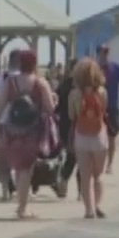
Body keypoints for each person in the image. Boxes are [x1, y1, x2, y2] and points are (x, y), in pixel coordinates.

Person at [0, 50, 56, 219]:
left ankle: (22, 204)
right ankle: (22, 207)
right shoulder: (40, 82)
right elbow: (50, 108)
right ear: (34, 64)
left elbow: (0, 105)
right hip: (32, 130)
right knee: (26, 168)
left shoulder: (10, 82)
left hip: (12, 129)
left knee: (19, 167)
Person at [67, 57, 111, 218]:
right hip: (99, 135)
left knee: (85, 177)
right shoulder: (102, 92)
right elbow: (105, 111)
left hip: (81, 135)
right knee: (98, 175)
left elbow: (71, 115)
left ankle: (88, 210)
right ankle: (97, 204)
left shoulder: (74, 94)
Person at [0, 50, 24, 199]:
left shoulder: (2, 78)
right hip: (21, 122)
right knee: (21, 156)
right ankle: (21, 188)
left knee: (4, 156)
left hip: (4, 121)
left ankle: (4, 191)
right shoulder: (24, 78)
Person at [97, 44, 119, 174]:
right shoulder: (94, 68)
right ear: (98, 53)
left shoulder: (116, 68)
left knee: (111, 136)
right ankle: (98, 163)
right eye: (103, 52)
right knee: (97, 137)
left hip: (112, 107)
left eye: (107, 52)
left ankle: (110, 164)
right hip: (97, 108)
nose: (105, 54)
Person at [53, 58, 78, 198]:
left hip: (78, 125)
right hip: (67, 125)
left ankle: (65, 182)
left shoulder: (83, 85)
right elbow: (56, 105)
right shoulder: (65, 86)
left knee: (76, 157)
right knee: (72, 156)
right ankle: (63, 181)